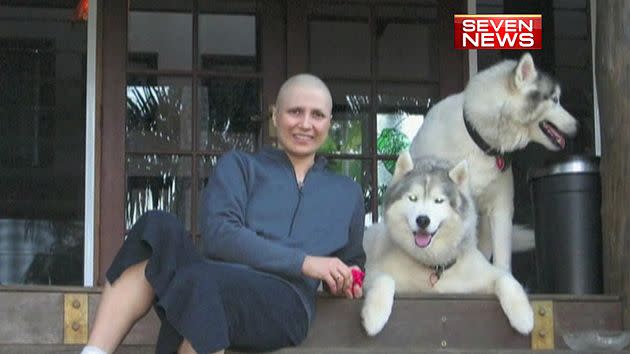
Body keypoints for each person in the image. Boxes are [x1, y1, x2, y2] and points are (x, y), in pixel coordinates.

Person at [81, 73, 366, 354]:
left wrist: (346, 280)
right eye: (295, 112)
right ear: (275, 116)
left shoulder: (347, 193)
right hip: (216, 278)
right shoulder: (239, 166)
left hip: (286, 301)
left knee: (201, 286)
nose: (305, 124)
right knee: (155, 228)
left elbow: (352, 262)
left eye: (317, 115)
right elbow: (220, 236)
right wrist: (306, 262)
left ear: (329, 123)